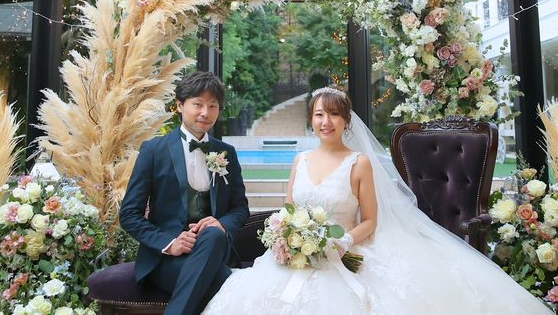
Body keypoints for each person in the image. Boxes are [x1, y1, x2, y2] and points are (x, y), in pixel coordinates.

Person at [203, 87, 550, 314]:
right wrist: (287, 235)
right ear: (311, 120)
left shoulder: (359, 163)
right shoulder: (300, 161)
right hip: (297, 252)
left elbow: (370, 220)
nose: (326, 121)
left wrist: (342, 241)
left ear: (345, 121)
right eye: (319, 114)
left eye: (333, 114)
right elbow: (290, 209)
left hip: (346, 248)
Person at [119, 71, 249, 315]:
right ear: (180, 105)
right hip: (166, 258)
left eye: (213, 106)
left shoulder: (226, 153)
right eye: (198, 104)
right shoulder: (154, 151)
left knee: (213, 234)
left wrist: (221, 224)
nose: (205, 113)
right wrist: (170, 244)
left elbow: (240, 209)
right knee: (226, 283)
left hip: (214, 250)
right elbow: (129, 215)